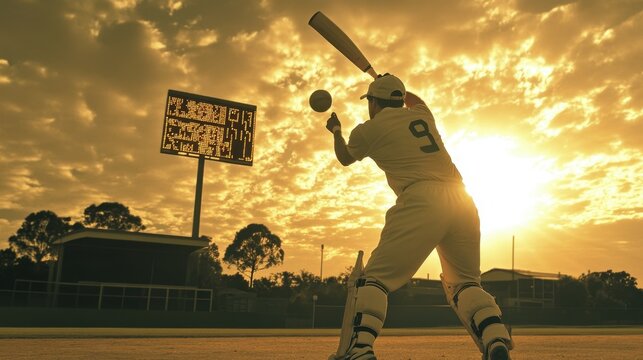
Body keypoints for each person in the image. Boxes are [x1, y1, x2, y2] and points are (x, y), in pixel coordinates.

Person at [326, 74, 514, 360]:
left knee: (374, 279)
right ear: (400, 99)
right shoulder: (422, 115)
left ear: (373, 102)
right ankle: (494, 337)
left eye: (370, 101)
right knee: (465, 283)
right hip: (462, 199)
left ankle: (359, 348)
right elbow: (417, 100)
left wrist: (337, 131)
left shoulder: (369, 129)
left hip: (422, 197)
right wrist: (391, 85)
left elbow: (344, 157)